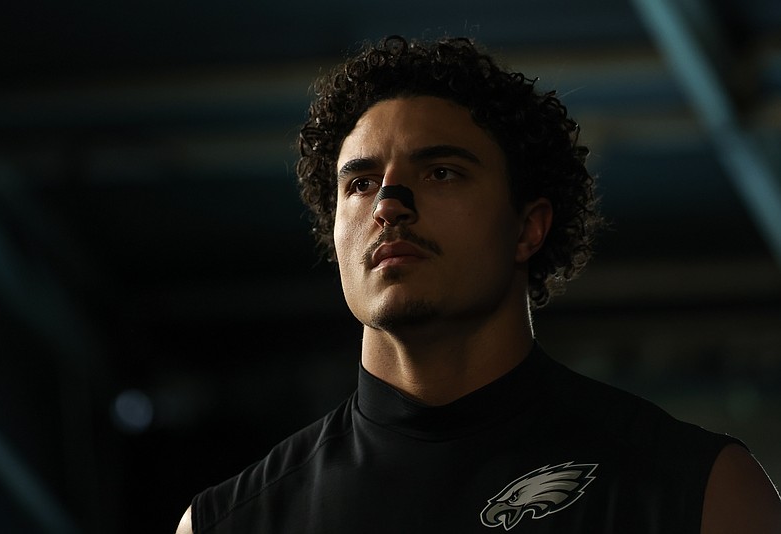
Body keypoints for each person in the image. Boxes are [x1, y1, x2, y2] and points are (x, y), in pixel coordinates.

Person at [176, 36, 781, 533]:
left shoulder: (701, 491)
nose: (389, 205)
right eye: (358, 184)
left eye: (441, 172)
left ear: (528, 227)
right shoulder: (225, 523)